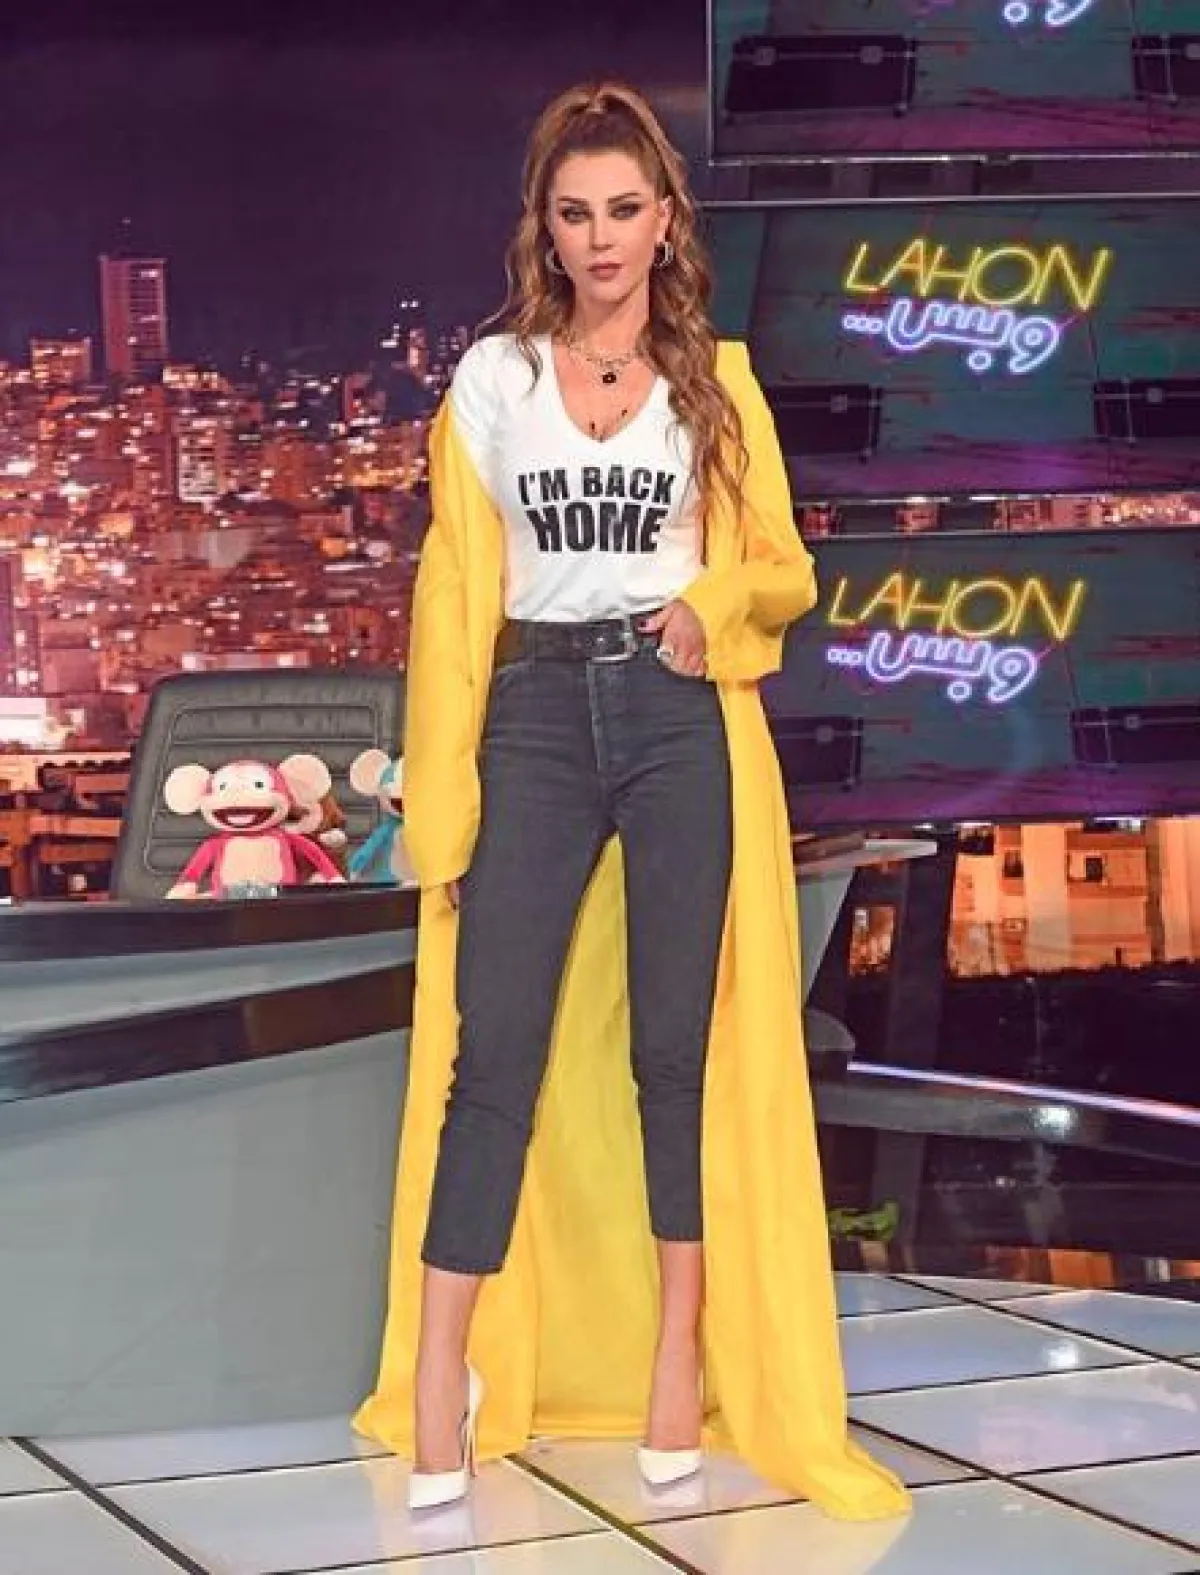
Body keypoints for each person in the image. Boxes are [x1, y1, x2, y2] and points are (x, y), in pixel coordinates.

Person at [354, 79, 911, 1523]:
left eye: (622, 210)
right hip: (535, 713)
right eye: (573, 213)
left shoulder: (716, 384)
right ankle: (439, 1372)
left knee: (676, 1054)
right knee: (496, 1054)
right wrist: (444, 804)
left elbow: (783, 567)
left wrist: (707, 608)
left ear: (665, 222)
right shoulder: (493, 382)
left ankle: (679, 1358)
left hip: (676, 716)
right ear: (545, 228)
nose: (600, 238)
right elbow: (451, 602)